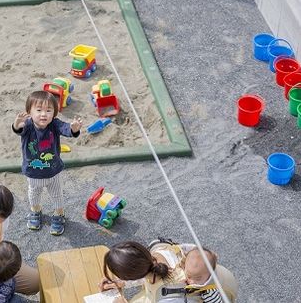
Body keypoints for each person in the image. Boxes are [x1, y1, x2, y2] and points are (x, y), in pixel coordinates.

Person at [12, 90, 83, 235]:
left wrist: (73, 129)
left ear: (54, 113)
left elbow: (66, 129)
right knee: (33, 194)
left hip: (53, 171)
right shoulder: (28, 126)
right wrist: (17, 124)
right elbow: (19, 130)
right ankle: (35, 211)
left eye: (48, 110)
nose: (43, 114)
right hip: (33, 172)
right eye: (38, 110)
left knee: (57, 195)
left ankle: (59, 214)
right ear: (29, 112)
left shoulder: (55, 125)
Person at [99, 240, 237, 303]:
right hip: (222, 279)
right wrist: (122, 283)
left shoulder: (169, 298)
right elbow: (148, 271)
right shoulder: (159, 249)